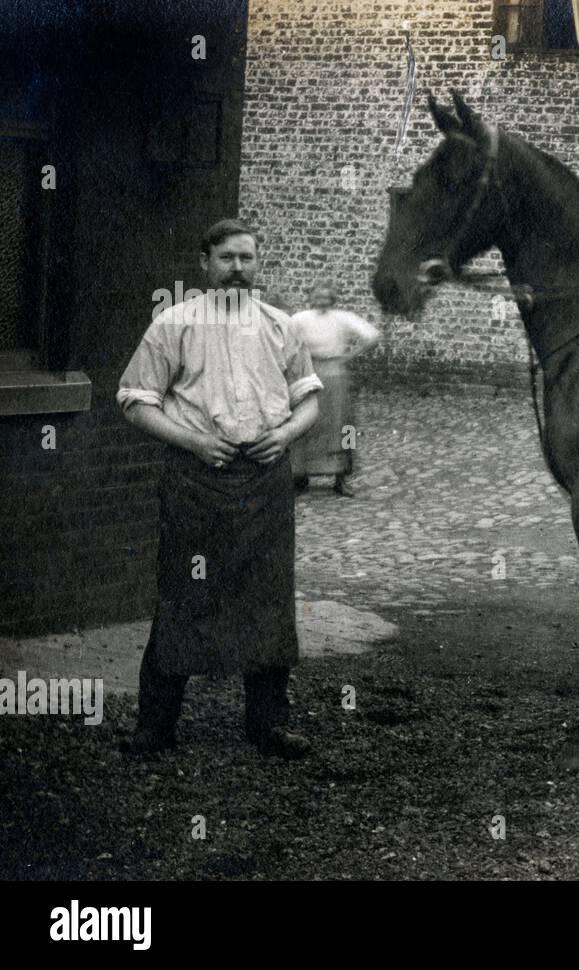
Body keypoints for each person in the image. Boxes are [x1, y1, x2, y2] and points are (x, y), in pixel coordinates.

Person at [116, 218, 323, 758]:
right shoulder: (174, 324)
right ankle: (155, 727)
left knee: (268, 598)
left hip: (264, 482)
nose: (237, 269)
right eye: (227, 258)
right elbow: (135, 400)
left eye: (247, 258)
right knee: (185, 595)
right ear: (204, 263)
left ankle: (268, 725)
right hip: (195, 483)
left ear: (258, 264)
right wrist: (192, 442)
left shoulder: (282, 326)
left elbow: (311, 402)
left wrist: (283, 436)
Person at [289, 282, 381, 497]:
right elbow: (283, 338)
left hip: (336, 374)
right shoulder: (299, 319)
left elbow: (373, 336)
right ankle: (300, 474)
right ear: (310, 298)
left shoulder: (343, 317)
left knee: (345, 425)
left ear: (333, 299)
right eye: (317, 297)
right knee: (305, 422)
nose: (322, 301)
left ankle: (343, 476)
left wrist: (350, 355)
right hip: (309, 373)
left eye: (326, 297)